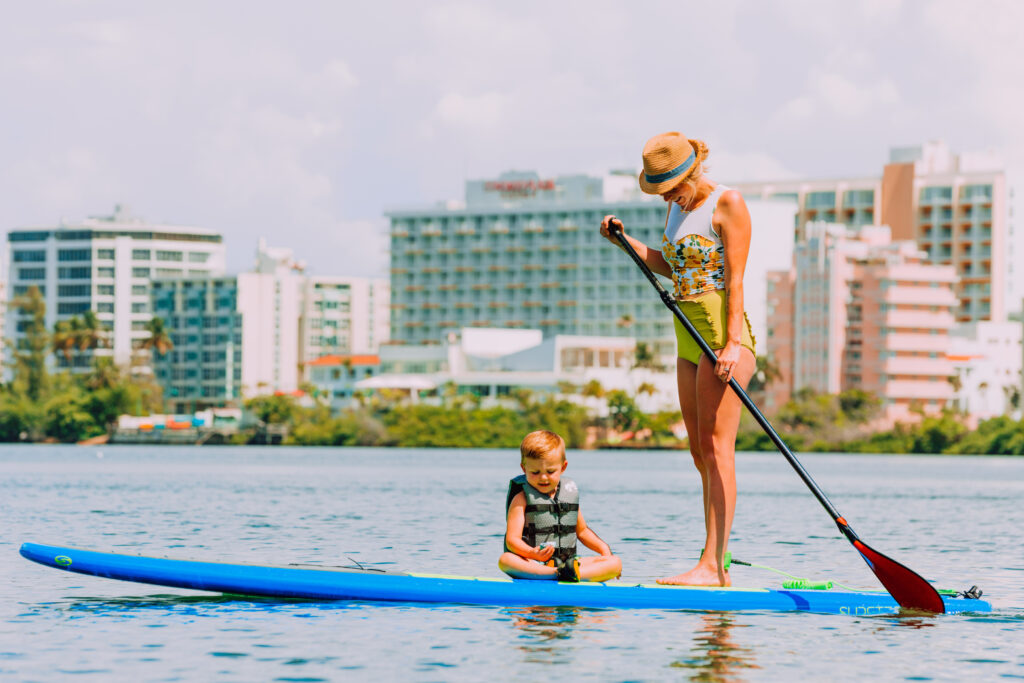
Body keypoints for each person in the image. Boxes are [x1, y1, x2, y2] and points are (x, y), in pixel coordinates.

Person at [599, 132, 757, 587]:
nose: (667, 195)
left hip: (720, 328)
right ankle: (713, 560)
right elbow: (673, 266)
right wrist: (624, 241)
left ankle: (713, 564)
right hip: (684, 328)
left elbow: (737, 280)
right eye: (660, 190)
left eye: (671, 187)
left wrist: (731, 344)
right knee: (696, 451)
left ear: (692, 172)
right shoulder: (677, 207)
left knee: (717, 447)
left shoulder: (729, 203)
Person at [499, 430, 622, 582]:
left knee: (615, 562)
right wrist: (532, 553)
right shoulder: (521, 498)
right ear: (524, 469)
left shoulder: (567, 493)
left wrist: (604, 550)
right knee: (506, 560)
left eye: (550, 471)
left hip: (568, 563)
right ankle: (556, 573)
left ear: (563, 467)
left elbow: (582, 531)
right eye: (535, 472)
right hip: (533, 563)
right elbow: (512, 540)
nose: (543, 477)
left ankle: (571, 573)